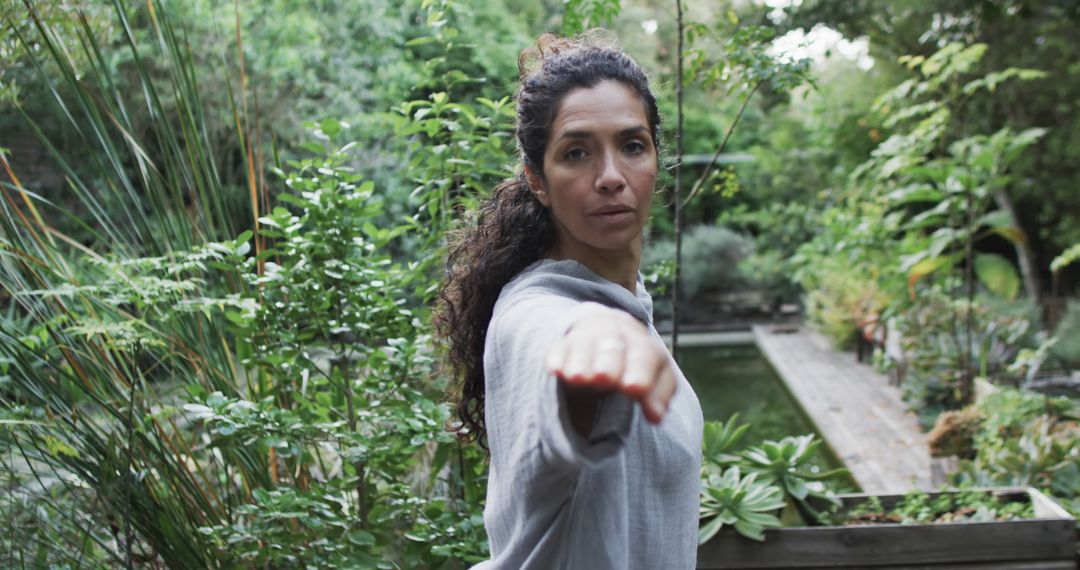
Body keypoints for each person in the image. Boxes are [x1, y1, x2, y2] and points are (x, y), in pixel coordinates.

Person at [435, 32, 703, 570]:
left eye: (632, 146)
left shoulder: (628, 304)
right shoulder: (533, 313)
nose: (610, 177)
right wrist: (585, 352)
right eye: (576, 152)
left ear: (655, 159)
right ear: (537, 180)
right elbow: (552, 351)